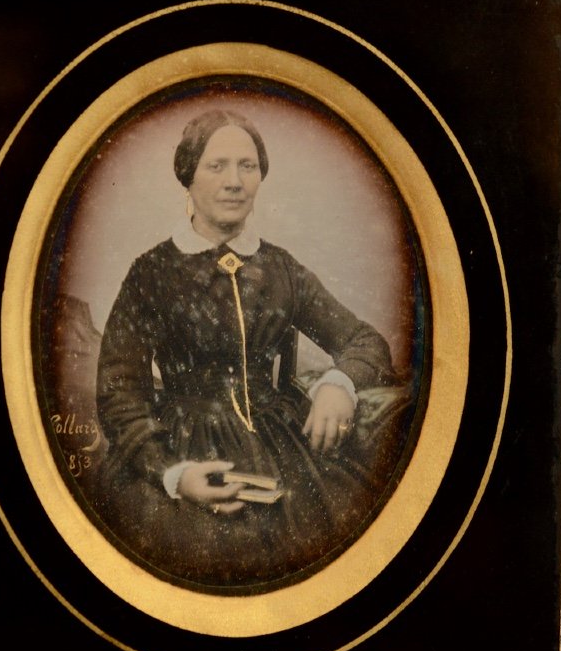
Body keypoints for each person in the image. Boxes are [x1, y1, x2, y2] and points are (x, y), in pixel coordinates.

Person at [94, 108, 402, 590]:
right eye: (217, 166)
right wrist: (173, 473)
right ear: (188, 176)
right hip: (181, 449)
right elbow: (119, 393)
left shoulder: (281, 269)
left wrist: (337, 385)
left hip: (282, 447)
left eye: (248, 166)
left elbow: (366, 342)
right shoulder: (151, 273)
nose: (234, 182)